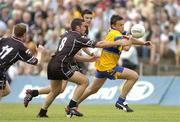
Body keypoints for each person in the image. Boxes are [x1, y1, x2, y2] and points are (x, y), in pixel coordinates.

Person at [37, 18, 131, 118]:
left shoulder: (66, 35)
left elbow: (73, 56)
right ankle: (72, 107)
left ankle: (42, 112)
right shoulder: (78, 37)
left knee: (55, 91)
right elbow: (99, 44)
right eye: (83, 27)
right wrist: (117, 43)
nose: (85, 29)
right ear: (78, 27)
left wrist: (89, 59)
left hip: (52, 64)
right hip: (61, 64)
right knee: (84, 81)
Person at [75, 15, 152, 113]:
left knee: (92, 89)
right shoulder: (116, 34)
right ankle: (121, 101)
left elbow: (128, 39)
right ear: (113, 26)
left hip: (102, 65)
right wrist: (130, 38)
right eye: (120, 25)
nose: (122, 27)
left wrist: (143, 43)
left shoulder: (116, 32)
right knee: (134, 76)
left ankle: (73, 105)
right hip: (109, 67)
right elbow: (126, 48)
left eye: (123, 25)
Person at [23, 9, 94, 107]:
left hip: (68, 60)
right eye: (87, 18)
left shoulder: (83, 30)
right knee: (80, 83)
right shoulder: (76, 29)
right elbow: (67, 39)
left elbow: (82, 45)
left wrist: (90, 53)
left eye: (91, 18)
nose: (89, 20)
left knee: (59, 89)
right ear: (82, 18)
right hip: (68, 61)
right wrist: (89, 57)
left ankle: (34, 93)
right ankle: (72, 107)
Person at [0, 23, 43, 99]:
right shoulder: (21, 48)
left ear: (14, 31)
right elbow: (36, 62)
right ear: (24, 34)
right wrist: (40, 52)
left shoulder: (4, 39)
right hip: (1, 70)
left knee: (7, 91)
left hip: (2, 70)